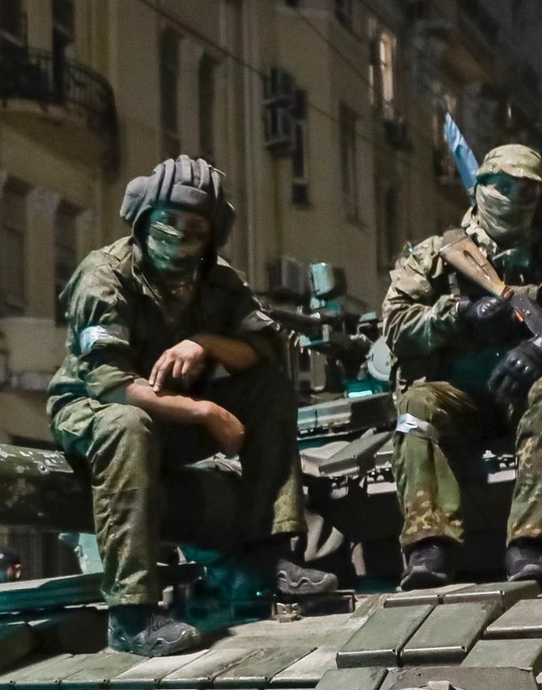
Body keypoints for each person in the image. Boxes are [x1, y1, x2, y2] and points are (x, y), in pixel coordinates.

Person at [47, 155, 336, 657]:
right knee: (128, 424)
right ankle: (131, 614)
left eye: (194, 227)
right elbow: (112, 384)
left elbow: (266, 349)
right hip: (93, 410)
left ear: (211, 235)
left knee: (268, 389)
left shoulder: (217, 280)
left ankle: (271, 555)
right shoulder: (104, 275)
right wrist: (205, 413)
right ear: (142, 216)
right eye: (167, 221)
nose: (178, 235)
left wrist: (205, 343)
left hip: (169, 418)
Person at [382, 143, 542, 592]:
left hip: (529, 389)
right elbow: (395, 324)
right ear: (480, 188)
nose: (513, 198)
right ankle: (428, 546)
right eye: (502, 186)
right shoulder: (435, 254)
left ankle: (529, 545)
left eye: (527, 190)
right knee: (416, 405)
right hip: (458, 393)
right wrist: (456, 316)